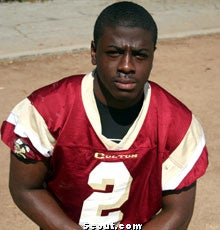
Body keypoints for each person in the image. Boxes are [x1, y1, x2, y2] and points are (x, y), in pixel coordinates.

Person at [1, 1, 208, 230]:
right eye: (114, 53)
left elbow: (178, 211)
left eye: (139, 55)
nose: (127, 66)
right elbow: (26, 188)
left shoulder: (177, 123)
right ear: (93, 51)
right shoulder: (47, 110)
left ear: (152, 56)